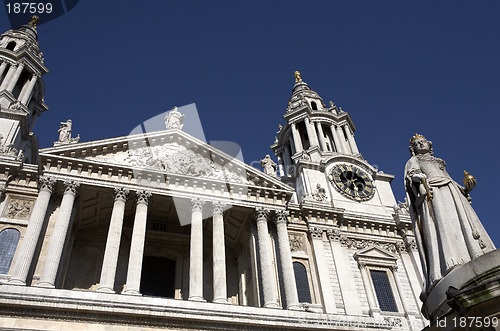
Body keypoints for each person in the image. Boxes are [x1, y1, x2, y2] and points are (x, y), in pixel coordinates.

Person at [404, 134, 495, 298]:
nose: (420, 144)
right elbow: (411, 176)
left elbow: (449, 179)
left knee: (461, 224)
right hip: (434, 192)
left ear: (429, 144)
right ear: (413, 149)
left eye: (422, 142)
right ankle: (452, 260)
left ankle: (474, 254)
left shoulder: (438, 161)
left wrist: (465, 189)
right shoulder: (414, 161)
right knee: (443, 224)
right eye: (417, 144)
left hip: (451, 190)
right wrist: (419, 178)